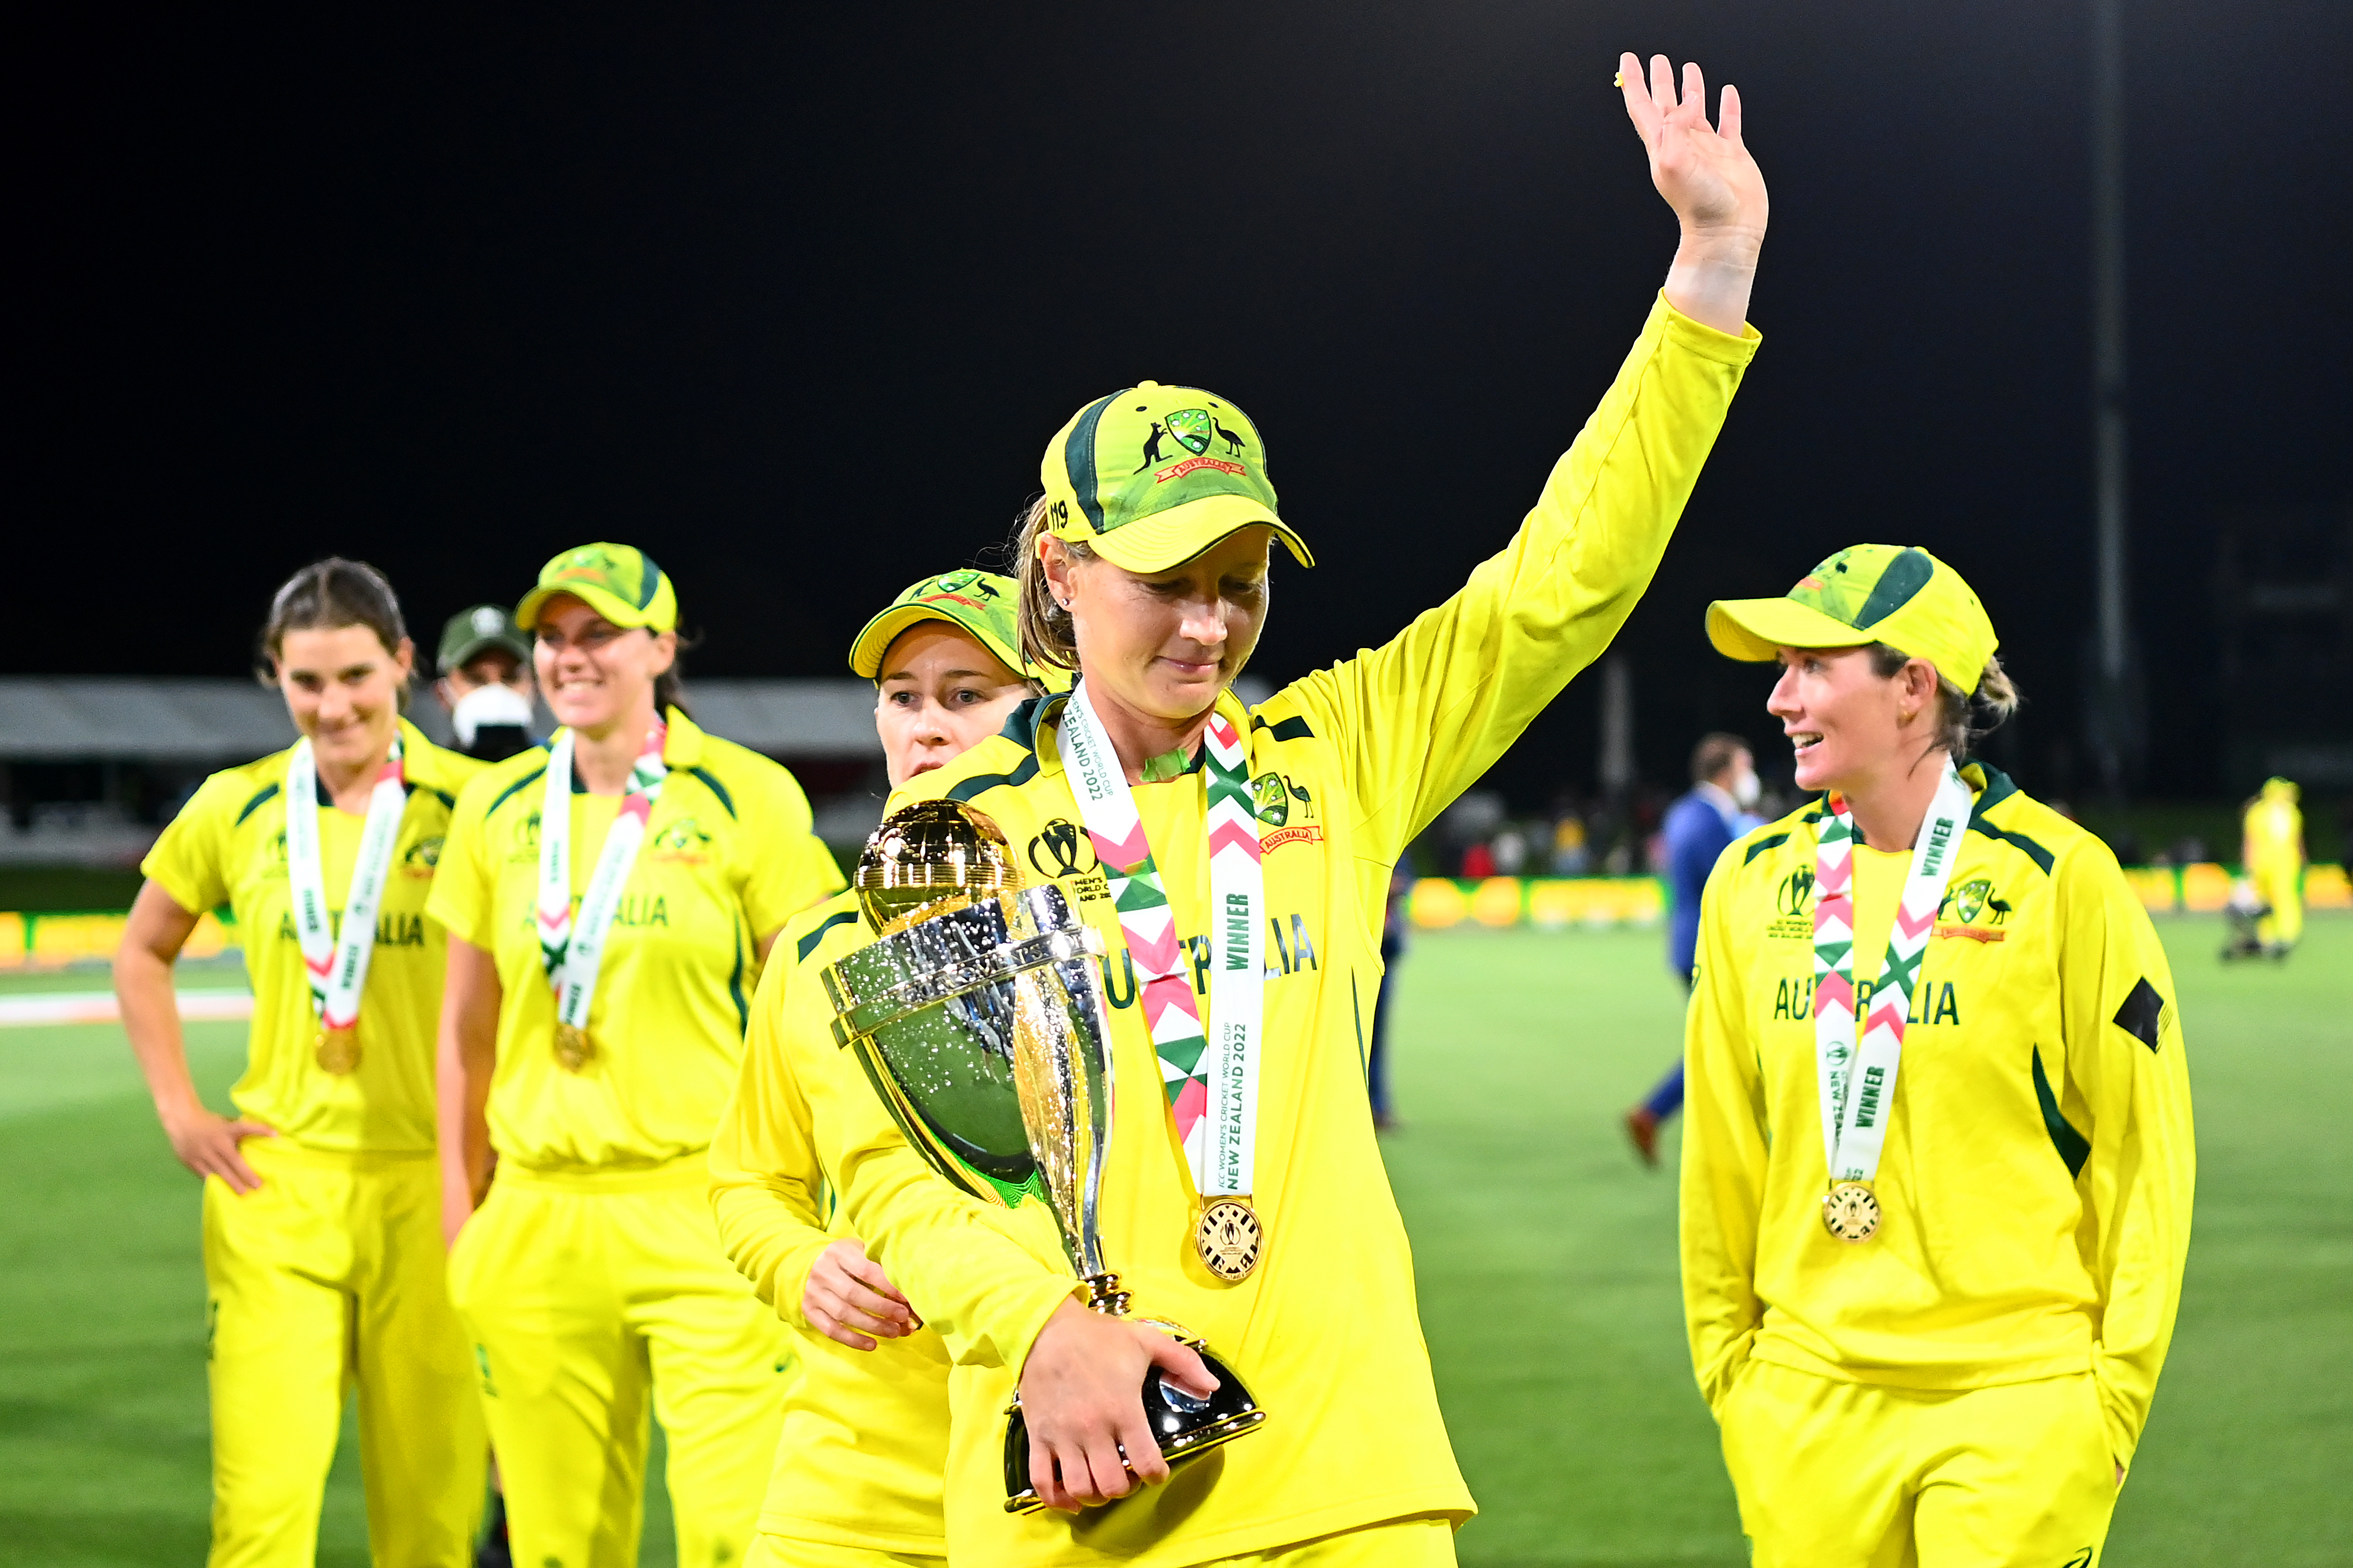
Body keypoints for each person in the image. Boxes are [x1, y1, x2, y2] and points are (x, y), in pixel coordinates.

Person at [825, 53, 1765, 1567]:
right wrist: (1038, 1323)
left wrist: (1708, 271)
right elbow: (907, 1158)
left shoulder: (1338, 753)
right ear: (1061, 571)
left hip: (1352, 1474)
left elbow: (1556, 588)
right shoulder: (947, 834)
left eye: (1240, 580)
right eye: (1169, 580)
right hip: (1089, 1463)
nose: (1209, 623)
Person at [1680, 544, 2195, 1566]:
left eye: (1812, 667)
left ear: (1912, 686)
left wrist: (2111, 1400)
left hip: (2015, 1405)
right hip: (1804, 1406)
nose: (1779, 698)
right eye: (1779, 668)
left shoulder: (2062, 881)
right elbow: (1719, 1159)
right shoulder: (1746, 885)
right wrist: (1735, 1381)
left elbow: (2147, 1156)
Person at [429, 543, 845, 1568]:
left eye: (600, 633)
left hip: (702, 1212)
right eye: (554, 637)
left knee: (733, 1533)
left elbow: (815, 1015)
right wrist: (460, 1208)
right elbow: (465, 1028)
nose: (570, 656)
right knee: (555, 1543)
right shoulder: (494, 807)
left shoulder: (746, 794)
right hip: (533, 1214)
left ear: (660, 646)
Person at [114, 558, 487, 1567]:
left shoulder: (480, 805)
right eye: (307, 681)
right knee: (260, 1519)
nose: (333, 706)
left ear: (404, 664)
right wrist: (178, 1109)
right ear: (274, 675)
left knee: (431, 1522)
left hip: (435, 1191)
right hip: (277, 1189)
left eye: (355, 676)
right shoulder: (234, 807)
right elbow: (141, 951)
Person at [710, 568, 1065, 1568]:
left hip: (1057, 1467)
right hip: (850, 1482)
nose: (925, 726)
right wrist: (800, 1265)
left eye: (966, 695)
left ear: (1046, 713)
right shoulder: (819, 942)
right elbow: (748, 1179)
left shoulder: (1111, 927)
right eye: (903, 697)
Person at [1622, 732, 1760, 1165]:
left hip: (1687, 944)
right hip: (1709, 948)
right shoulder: (1709, 821)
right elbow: (1727, 889)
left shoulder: (1684, 813)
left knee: (1723, 1042)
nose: (1749, 776)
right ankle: (1659, 1116)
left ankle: (1657, 1115)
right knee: (1725, 1044)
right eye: (1744, 767)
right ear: (1726, 772)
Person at [435, 603, 540, 763]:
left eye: (510, 677)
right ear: (442, 695)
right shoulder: (427, 780)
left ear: (536, 688)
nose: (496, 691)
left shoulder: (564, 773)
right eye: (476, 680)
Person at [2230, 776, 2304, 959]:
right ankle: (2279, 935)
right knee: (2271, 899)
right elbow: (2251, 840)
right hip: (2274, 862)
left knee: (2279, 897)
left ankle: (2281, 935)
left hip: (2277, 862)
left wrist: (2248, 861)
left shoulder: (2263, 811)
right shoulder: (2286, 812)